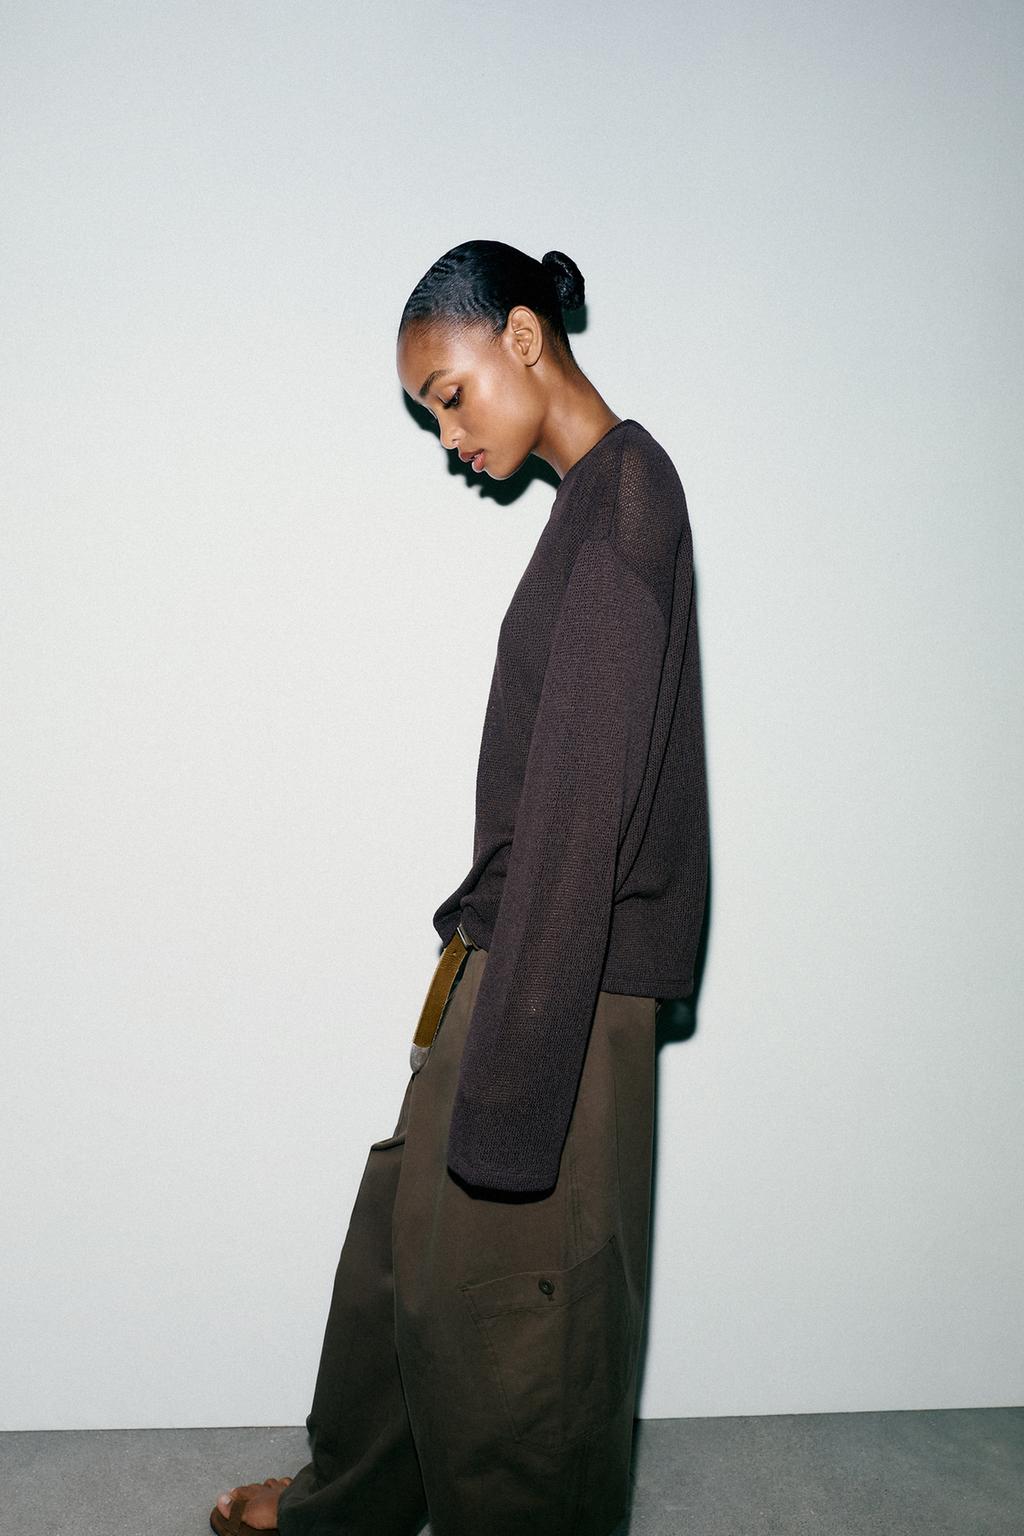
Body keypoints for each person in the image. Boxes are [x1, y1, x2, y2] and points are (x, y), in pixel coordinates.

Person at [209, 239, 709, 1536]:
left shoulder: (626, 505)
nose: (447, 437)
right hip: (514, 950)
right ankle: (355, 1502)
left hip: (563, 980)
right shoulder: (596, 503)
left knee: (523, 1334)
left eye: (449, 394)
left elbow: (581, 822)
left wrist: (515, 1090)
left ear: (524, 339)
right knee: (410, 1257)